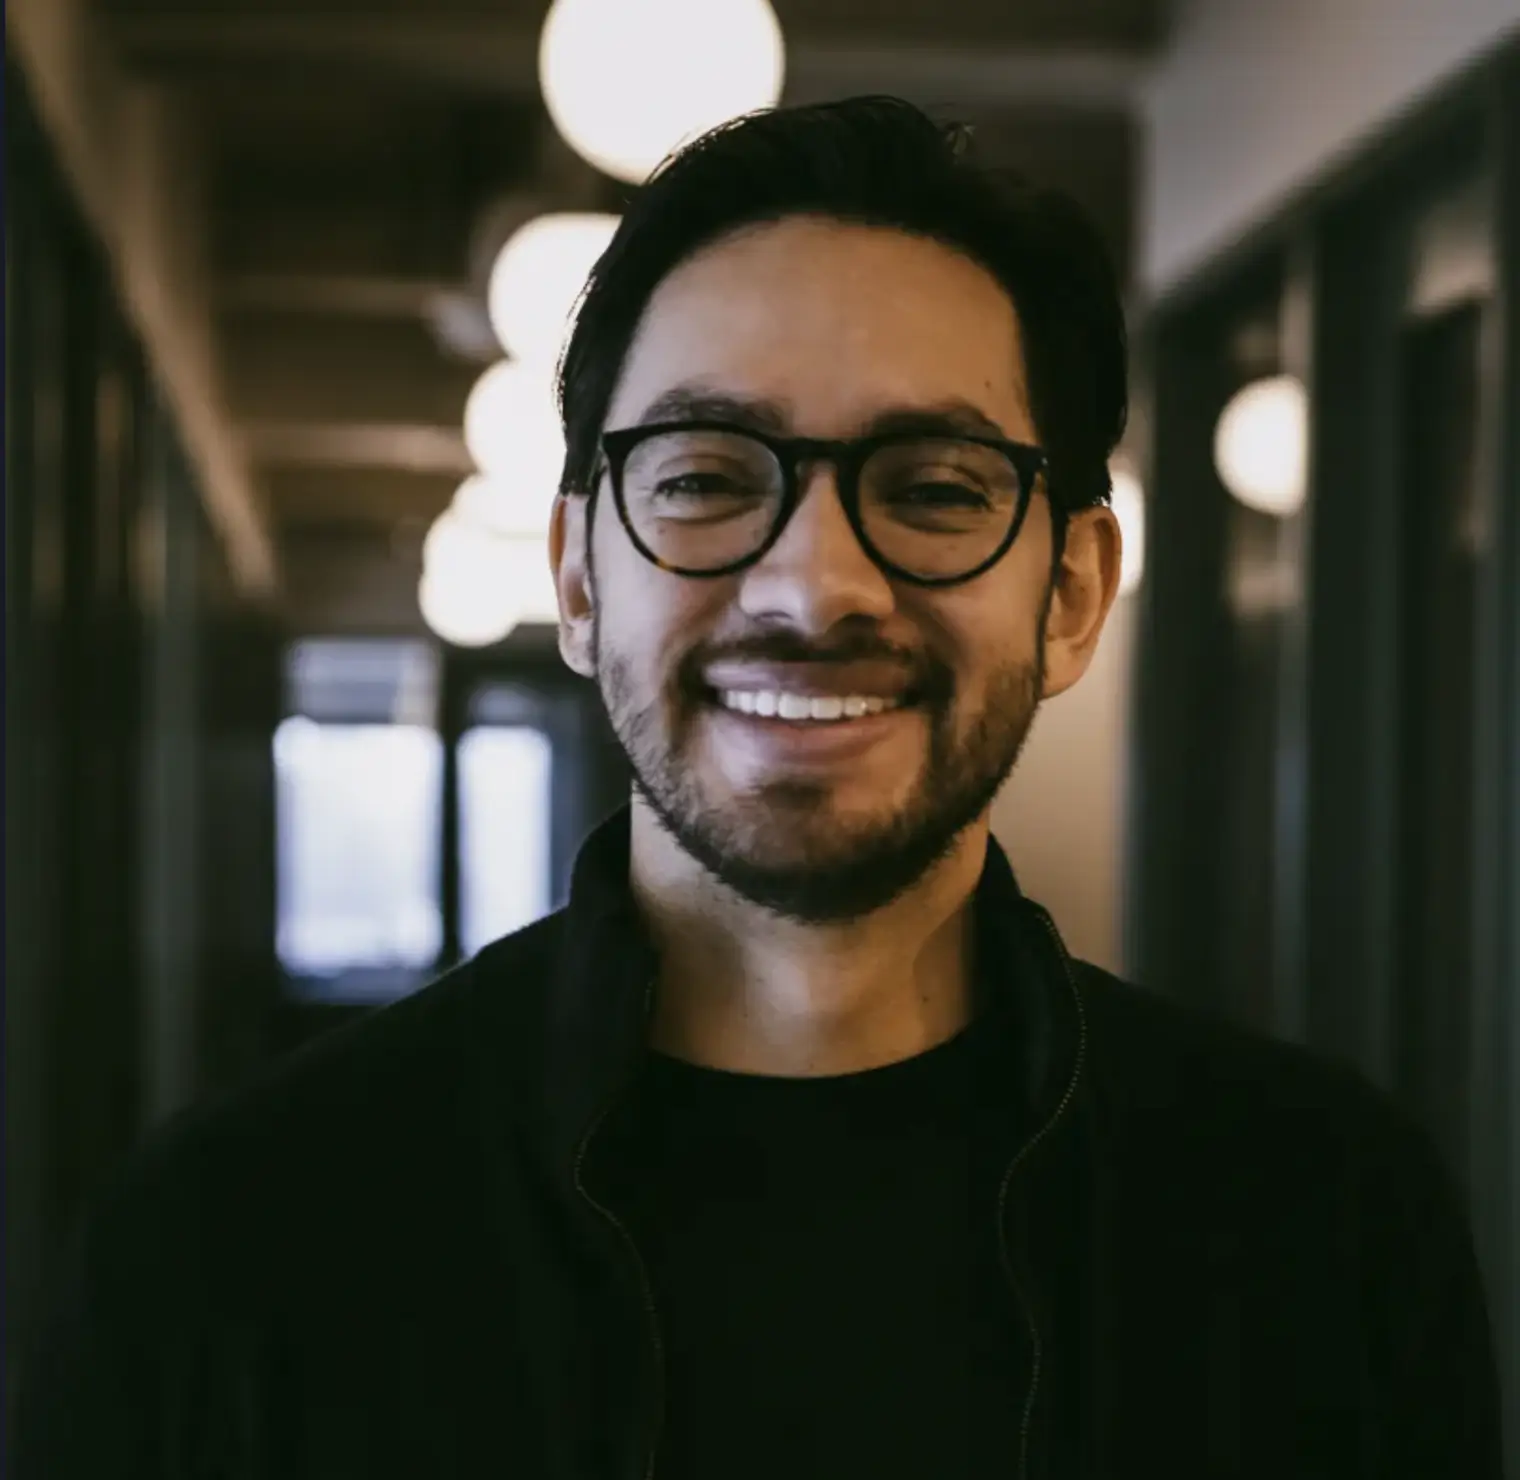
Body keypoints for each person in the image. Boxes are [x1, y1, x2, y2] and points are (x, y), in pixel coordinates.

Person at [12, 97, 1500, 1480]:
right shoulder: (227, 1255)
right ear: (579, 579)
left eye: (934, 489)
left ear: (1071, 595)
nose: (814, 586)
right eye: (707, 479)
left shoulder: (1324, 1228)